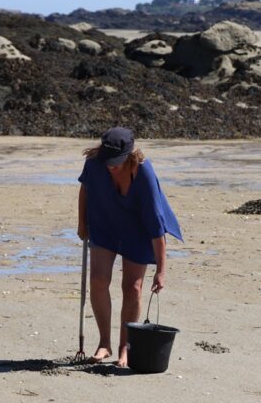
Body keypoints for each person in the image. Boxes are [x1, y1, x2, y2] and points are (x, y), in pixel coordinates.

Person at [77, 127, 183, 367]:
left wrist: (161, 271)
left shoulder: (143, 173)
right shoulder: (95, 163)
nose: (110, 166)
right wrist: (82, 222)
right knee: (98, 280)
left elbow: (156, 225)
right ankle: (104, 343)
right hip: (104, 222)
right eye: (108, 161)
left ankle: (125, 348)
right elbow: (86, 189)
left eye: (115, 162)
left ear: (129, 156)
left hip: (138, 229)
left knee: (132, 287)